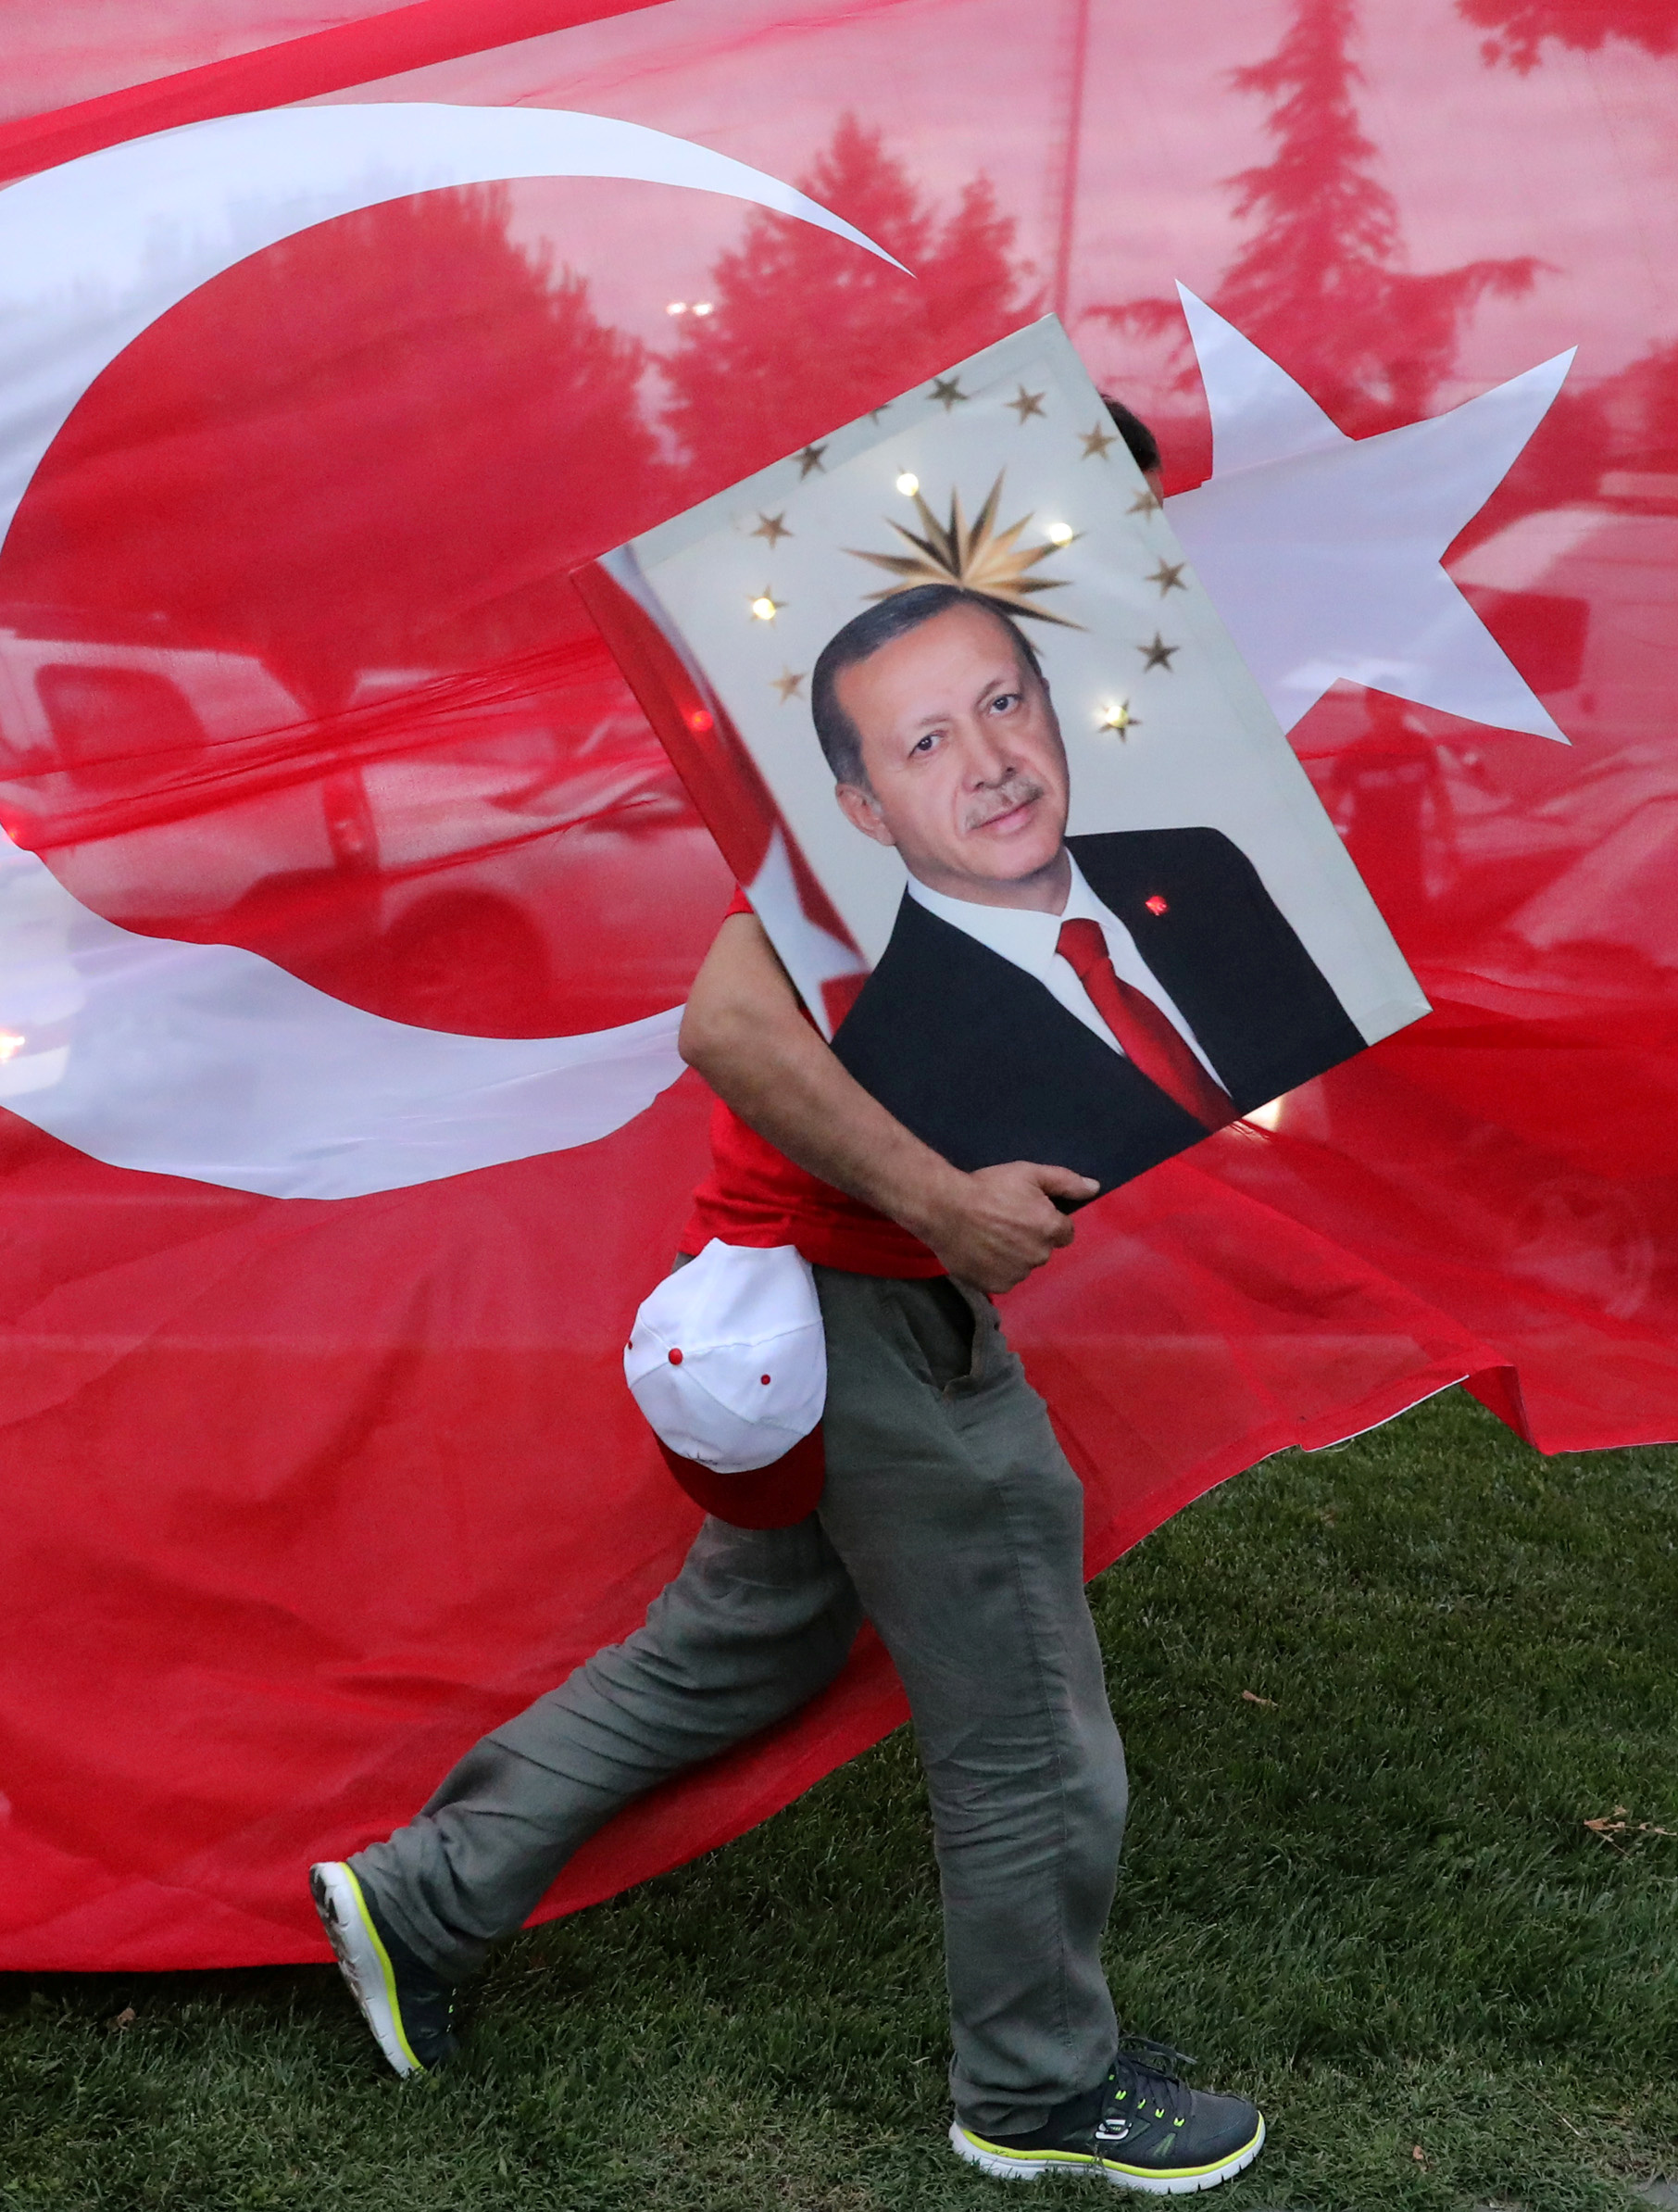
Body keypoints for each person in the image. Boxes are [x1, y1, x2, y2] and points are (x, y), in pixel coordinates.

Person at [311, 414, 1272, 2192]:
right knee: (1027, 1718)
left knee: (743, 1641)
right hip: (854, 1301)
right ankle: (1036, 2089)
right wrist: (942, 1205)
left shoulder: (1085, 778)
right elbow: (730, 1025)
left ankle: (421, 1892)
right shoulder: (872, 795)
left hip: (836, 1295)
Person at [818, 582, 1363, 1194]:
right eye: (928, 743)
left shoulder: (1202, 868)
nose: (992, 766)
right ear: (868, 813)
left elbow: (1357, 1097)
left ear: (1048, 704)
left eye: (1002, 704)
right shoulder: (882, 1069)